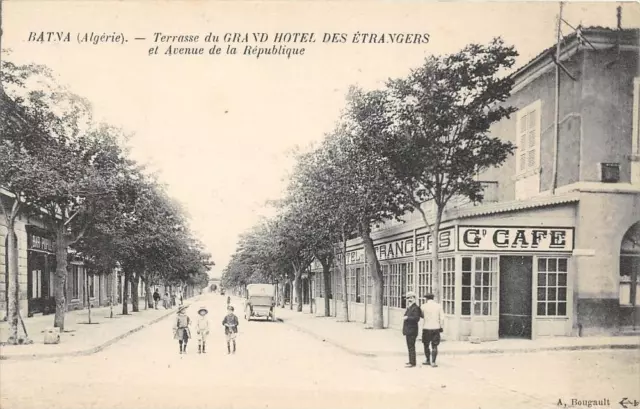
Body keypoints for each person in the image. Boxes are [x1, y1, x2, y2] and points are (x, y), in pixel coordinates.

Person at [420, 293, 445, 367]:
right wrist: (441, 326)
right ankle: (433, 362)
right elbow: (442, 318)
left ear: (426, 299)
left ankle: (427, 360)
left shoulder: (423, 306)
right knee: (434, 345)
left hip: (426, 328)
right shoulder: (438, 306)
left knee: (426, 345)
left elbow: (422, 316)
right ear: (433, 298)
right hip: (435, 328)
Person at [402, 291, 423, 368]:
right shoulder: (410, 307)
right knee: (410, 346)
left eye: (411, 298)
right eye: (408, 298)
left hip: (412, 330)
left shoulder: (416, 308)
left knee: (411, 346)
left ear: (414, 298)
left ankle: (412, 362)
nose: (409, 300)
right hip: (409, 329)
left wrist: (407, 317)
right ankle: (411, 361)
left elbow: (416, 318)